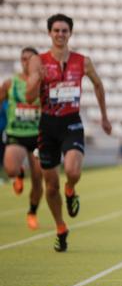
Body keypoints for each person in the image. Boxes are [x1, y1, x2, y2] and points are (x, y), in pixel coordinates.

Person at [26, 14, 112, 252]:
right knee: (50, 185)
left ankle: (71, 189)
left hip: (71, 122)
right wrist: (37, 80)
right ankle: (61, 227)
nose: (60, 34)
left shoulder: (82, 61)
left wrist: (104, 116)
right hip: (47, 125)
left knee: (73, 170)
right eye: (56, 30)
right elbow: (29, 96)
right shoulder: (38, 61)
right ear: (49, 33)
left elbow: (98, 84)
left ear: (70, 33)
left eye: (64, 31)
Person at [2, 47, 44, 230]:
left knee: (38, 179)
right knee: (10, 169)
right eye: (23, 58)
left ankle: (32, 211)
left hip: (38, 136)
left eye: (30, 58)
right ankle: (18, 172)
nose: (26, 62)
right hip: (16, 134)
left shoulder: (43, 83)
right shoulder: (11, 83)